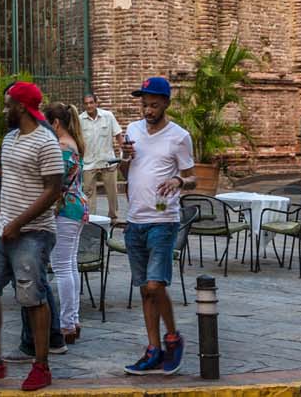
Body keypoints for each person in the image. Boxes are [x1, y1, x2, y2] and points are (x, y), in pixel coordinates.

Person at [0, 82, 66, 392]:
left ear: (21, 107)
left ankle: (41, 366)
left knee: (32, 297)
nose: (4, 110)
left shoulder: (47, 143)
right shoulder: (10, 139)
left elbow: (53, 190)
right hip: (2, 227)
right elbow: (14, 177)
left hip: (34, 232)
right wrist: (4, 216)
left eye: (8, 105)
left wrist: (18, 222)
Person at [120, 75, 194, 377]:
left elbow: (193, 177)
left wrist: (178, 180)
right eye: (144, 104)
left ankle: (173, 338)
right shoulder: (133, 130)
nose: (147, 110)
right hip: (135, 219)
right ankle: (153, 349)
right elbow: (127, 171)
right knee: (144, 289)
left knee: (155, 284)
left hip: (163, 220)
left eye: (153, 104)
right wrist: (125, 159)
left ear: (165, 103)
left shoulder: (179, 136)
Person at [45, 103, 89, 349]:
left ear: (56, 123)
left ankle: (67, 324)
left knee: (62, 267)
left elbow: (55, 181)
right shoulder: (74, 143)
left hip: (65, 210)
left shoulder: (62, 147)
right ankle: (73, 320)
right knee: (70, 264)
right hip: (76, 207)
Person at [77, 92, 122, 222]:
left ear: (96, 103)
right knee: (88, 193)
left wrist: (122, 153)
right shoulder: (80, 120)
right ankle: (91, 220)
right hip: (88, 162)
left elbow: (118, 134)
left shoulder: (108, 116)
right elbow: (78, 140)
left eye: (91, 103)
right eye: (86, 103)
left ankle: (113, 218)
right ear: (83, 105)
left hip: (108, 160)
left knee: (112, 192)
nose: (89, 106)